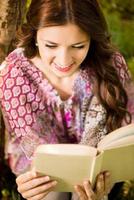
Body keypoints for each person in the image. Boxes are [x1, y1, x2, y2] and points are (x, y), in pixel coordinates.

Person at [0, 0, 133, 199]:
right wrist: (29, 183)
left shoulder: (111, 63)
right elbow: (33, 148)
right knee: (51, 192)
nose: (64, 61)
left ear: (92, 39)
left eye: (78, 46)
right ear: (35, 35)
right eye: (51, 46)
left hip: (101, 174)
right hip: (42, 168)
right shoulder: (15, 72)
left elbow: (125, 131)